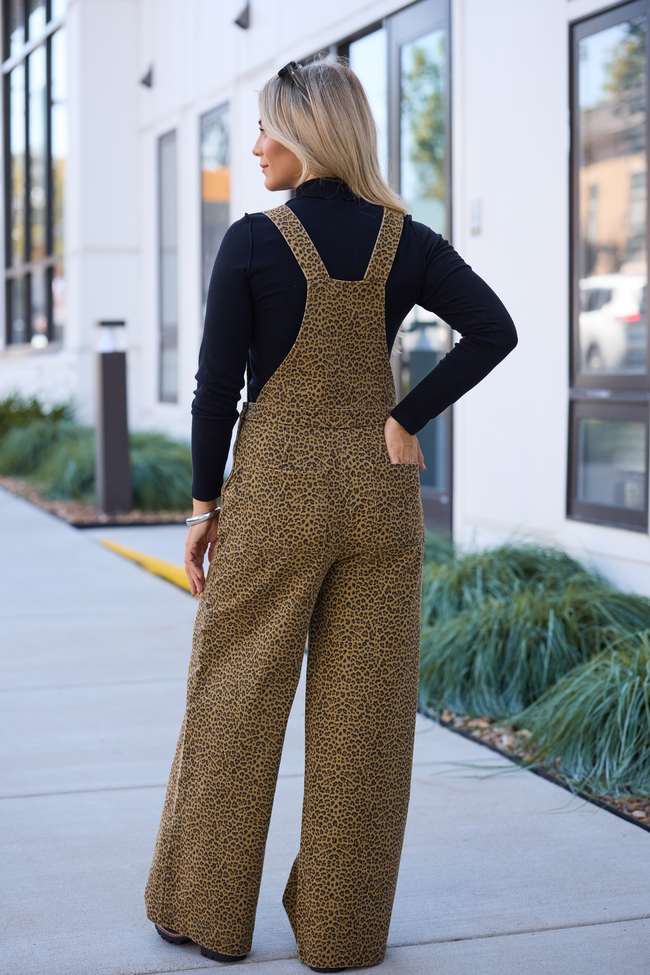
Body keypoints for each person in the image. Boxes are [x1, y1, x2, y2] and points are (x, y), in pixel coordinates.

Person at [145, 57, 517, 973]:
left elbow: (215, 391)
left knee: (235, 700)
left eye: (266, 127)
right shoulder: (408, 241)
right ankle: (343, 932)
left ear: (307, 134)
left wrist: (202, 506)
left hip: (277, 496)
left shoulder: (253, 242)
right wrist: (405, 417)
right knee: (367, 724)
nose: (255, 145)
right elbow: (495, 329)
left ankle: (206, 913)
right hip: (381, 501)